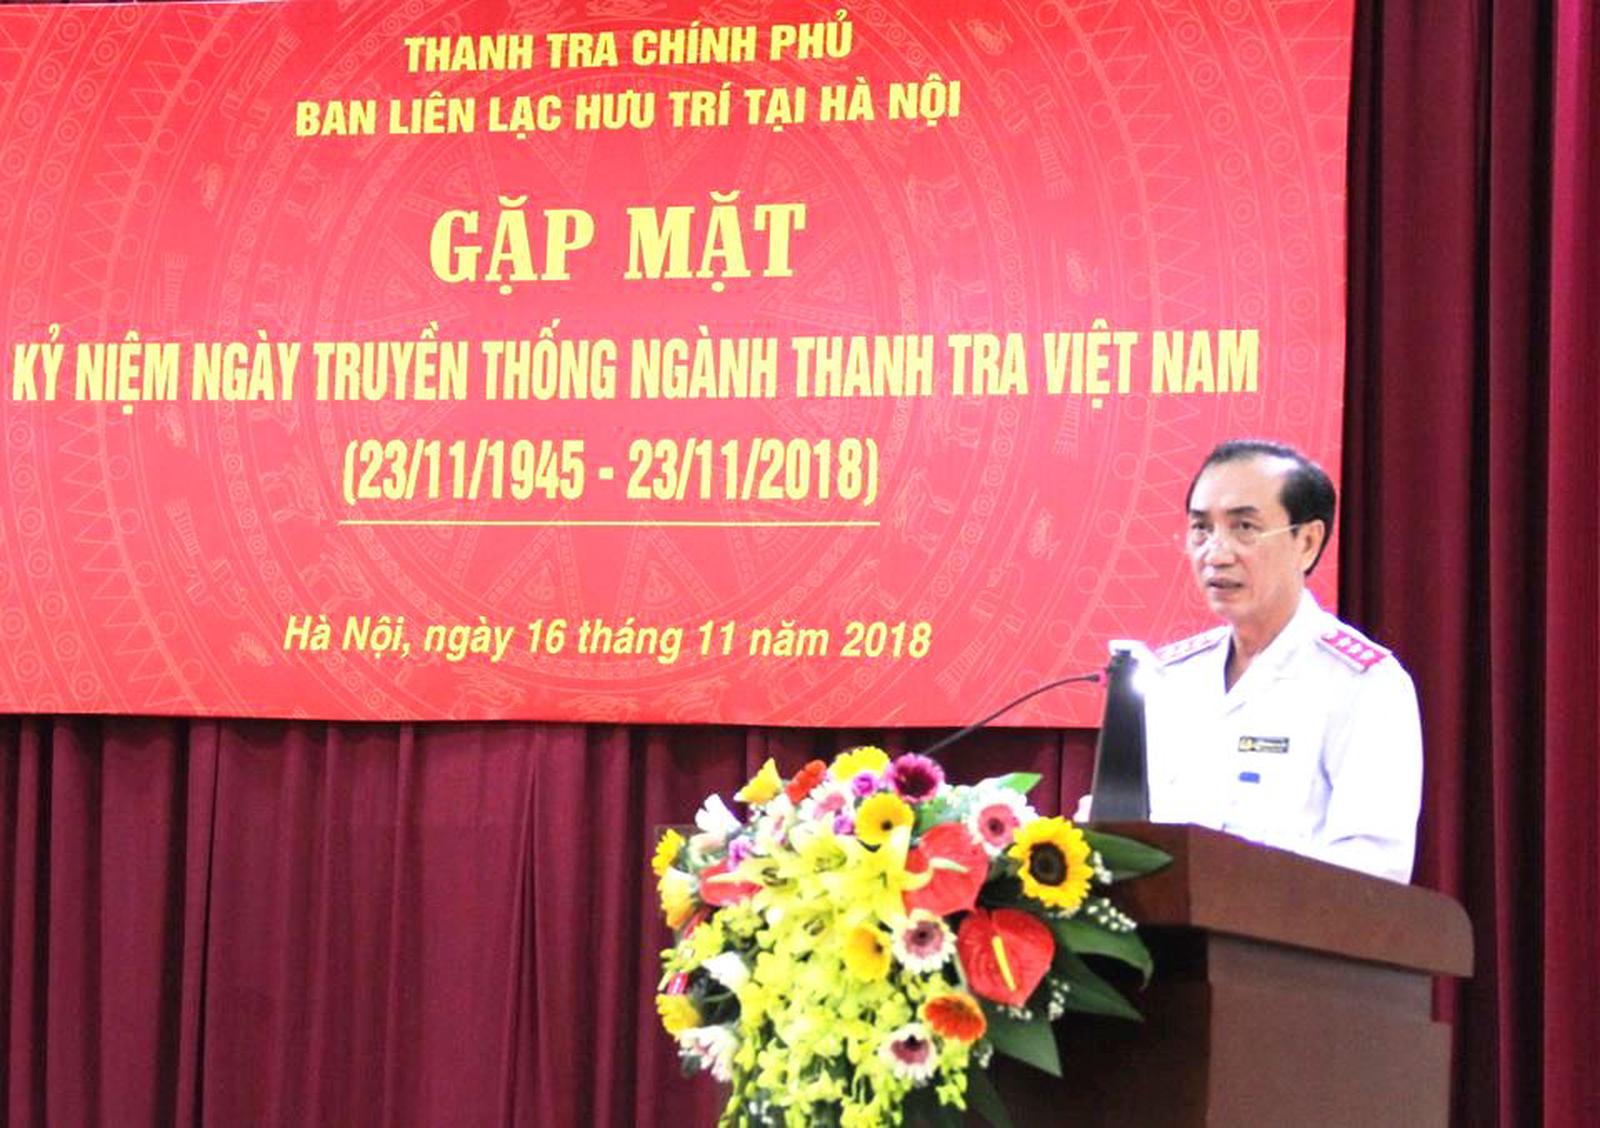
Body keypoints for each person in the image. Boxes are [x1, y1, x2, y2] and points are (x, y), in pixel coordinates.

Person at [1089, 439, 1423, 882]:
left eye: (1244, 527)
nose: (1216, 554)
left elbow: (1375, 869)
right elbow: (1119, 823)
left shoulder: (1363, 683)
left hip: (1286, 927)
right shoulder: (1168, 677)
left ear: (1307, 542)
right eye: (1201, 529)